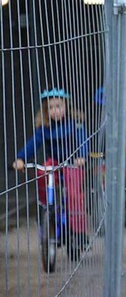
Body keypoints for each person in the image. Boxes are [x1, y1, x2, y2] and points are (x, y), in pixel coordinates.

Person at [13, 88, 89, 258]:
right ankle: (47, 206)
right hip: (54, 164)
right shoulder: (44, 128)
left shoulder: (75, 124)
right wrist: (21, 158)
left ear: (66, 107)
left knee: (74, 195)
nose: (56, 111)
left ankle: (78, 232)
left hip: (72, 162)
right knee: (43, 170)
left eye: (59, 106)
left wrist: (82, 156)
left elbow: (83, 141)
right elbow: (33, 144)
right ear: (46, 111)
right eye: (51, 108)